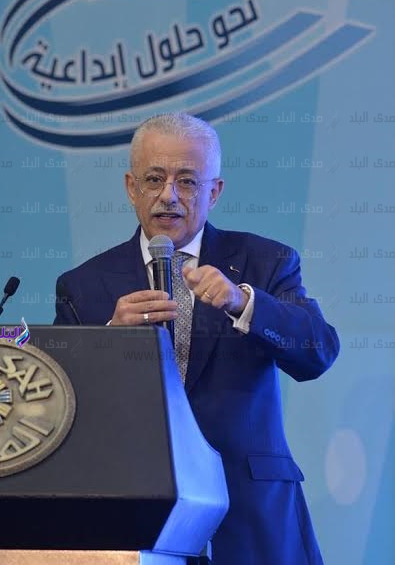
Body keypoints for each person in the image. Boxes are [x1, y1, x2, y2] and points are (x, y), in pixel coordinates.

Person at [54, 112, 339, 564]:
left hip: (249, 514)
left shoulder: (265, 261)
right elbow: (58, 405)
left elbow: (317, 351)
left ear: (215, 191)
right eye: (154, 179)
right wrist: (107, 341)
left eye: (187, 181)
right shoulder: (84, 285)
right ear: (131, 187)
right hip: (133, 515)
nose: (169, 195)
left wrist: (243, 303)